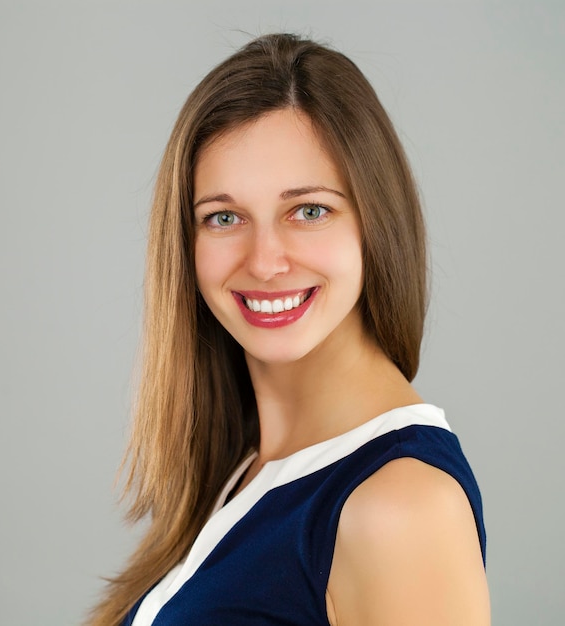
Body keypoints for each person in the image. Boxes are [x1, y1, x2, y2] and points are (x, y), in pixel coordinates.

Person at [88, 33, 490, 626]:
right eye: (224, 218)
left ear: (375, 222)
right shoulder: (246, 469)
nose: (265, 260)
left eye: (309, 210)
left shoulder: (401, 506)